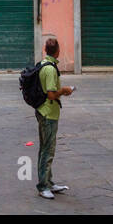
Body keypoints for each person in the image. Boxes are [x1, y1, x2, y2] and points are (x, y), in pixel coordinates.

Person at [33, 37, 74, 199]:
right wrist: (64, 90)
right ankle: (43, 186)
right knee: (47, 151)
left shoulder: (43, 64)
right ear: (57, 51)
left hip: (45, 111)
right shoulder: (50, 69)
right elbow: (50, 94)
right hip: (48, 113)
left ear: (45, 50)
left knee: (46, 148)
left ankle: (48, 182)